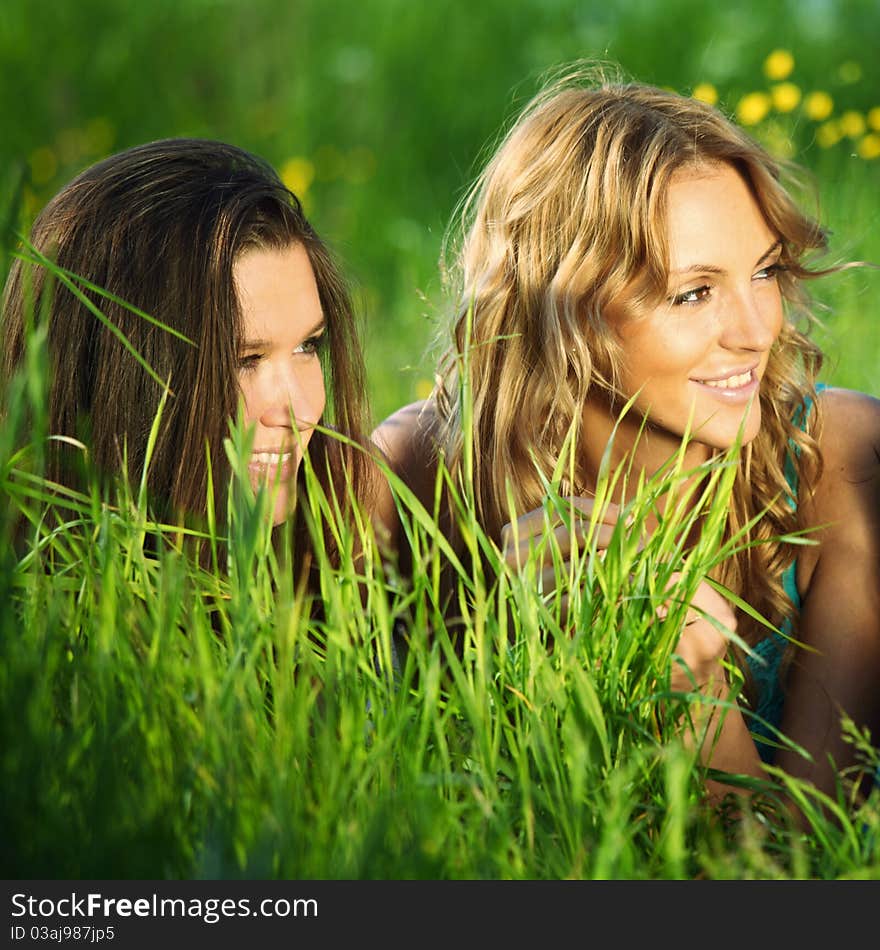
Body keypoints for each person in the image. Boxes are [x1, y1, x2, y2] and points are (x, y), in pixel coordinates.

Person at [374, 63, 880, 814]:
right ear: (563, 305)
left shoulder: (841, 458)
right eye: (695, 292)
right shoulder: (416, 476)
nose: (757, 331)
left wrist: (694, 693)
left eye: (765, 272)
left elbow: (809, 867)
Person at [2, 137, 380, 582]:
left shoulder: (346, 507)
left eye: (306, 346)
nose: (299, 410)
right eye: (245, 359)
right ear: (120, 374)